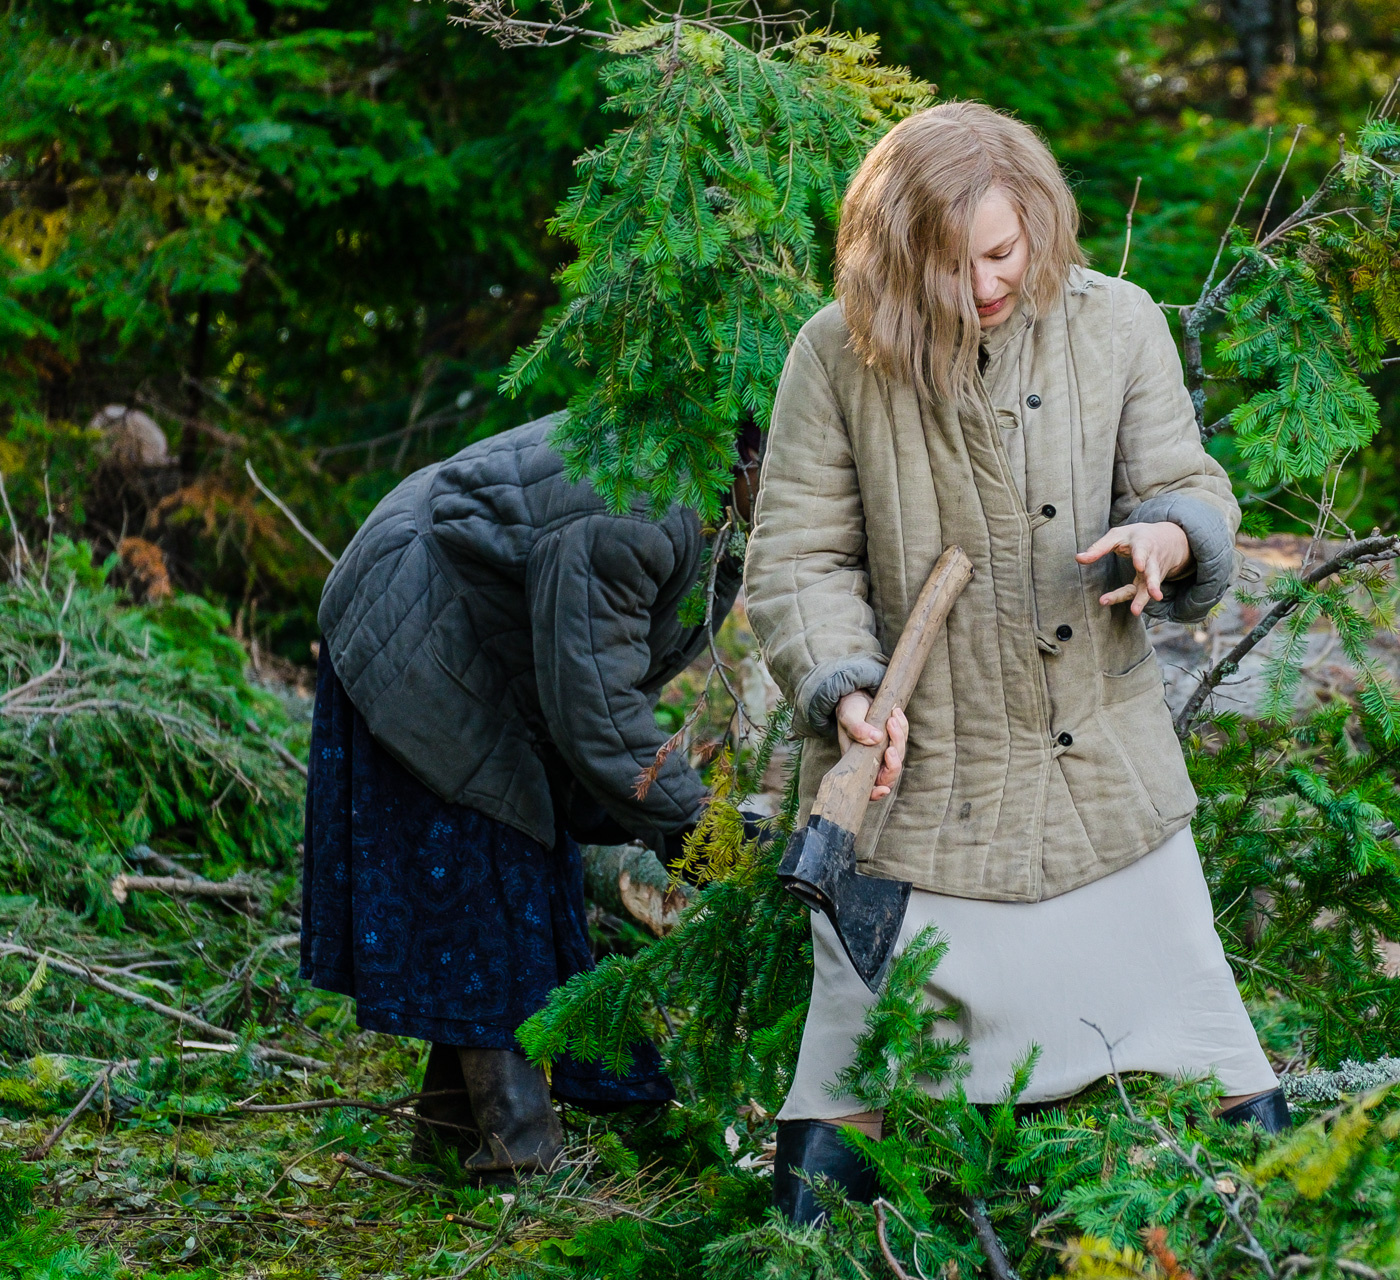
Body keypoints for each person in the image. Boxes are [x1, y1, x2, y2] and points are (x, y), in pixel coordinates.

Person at [744, 102, 1290, 1226]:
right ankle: (809, 1253)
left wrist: (1170, 535)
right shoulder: (833, 356)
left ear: (1037, 221)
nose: (988, 283)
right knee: (853, 1061)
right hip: (916, 792)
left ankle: (1272, 1238)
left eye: (1004, 250)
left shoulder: (1119, 323)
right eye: (953, 265)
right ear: (898, 260)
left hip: (1105, 780)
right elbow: (797, 558)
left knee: (1212, 1041)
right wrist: (843, 684)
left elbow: (1190, 482)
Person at [304, 410, 753, 1181]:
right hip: (418, 623)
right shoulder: (640, 506)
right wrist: (702, 835)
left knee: (512, 882)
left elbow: (597, 665)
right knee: (490, 889)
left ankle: (445, 1139)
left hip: (486, 649)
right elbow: (600, 710)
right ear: (749, 454)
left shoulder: (714, 514)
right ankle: (521, 1156)